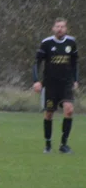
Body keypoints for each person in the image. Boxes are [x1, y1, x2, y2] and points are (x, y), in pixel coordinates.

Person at [33, 18, 78, 154]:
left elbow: (75, 63)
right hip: (51, 85)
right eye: (57, 26)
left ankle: (64, 145)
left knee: (69, 110)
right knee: (49, 113)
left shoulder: (71, 43)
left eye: (62, 27)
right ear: (53, 28)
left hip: (66, 84)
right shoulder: (46, 43)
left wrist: (75, 80)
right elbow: (37, 63)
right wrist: (36, 81)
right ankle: (48, 145)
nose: (60, 29)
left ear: (66, 29)